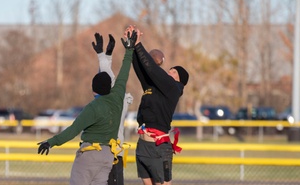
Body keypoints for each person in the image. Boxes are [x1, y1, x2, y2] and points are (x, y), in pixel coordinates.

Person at [37, 29, 138, 185]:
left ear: (93, 89)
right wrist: (129, 50)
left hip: (90, 155)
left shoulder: (93, 108)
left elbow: (72, 130)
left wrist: (51, 142)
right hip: (108, 155)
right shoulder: (118, 97)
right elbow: (124, 74)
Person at [125, 25, 189, 185]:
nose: (169, 72)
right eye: (170, 69)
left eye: (174, 71)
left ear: (180, 79)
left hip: (158, 147)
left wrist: (139, 44)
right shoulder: (155, 87)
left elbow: (152, 69)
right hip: (143, 145)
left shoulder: (174, 88)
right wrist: (130, 47)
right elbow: (142, 71)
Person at [91, 32, 134, 185]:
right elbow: (106, 80)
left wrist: (103, 55)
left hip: (111, 155)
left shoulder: (117, 101)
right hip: (99, 155)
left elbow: (109, 80)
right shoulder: (108, 101)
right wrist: (105, 55)